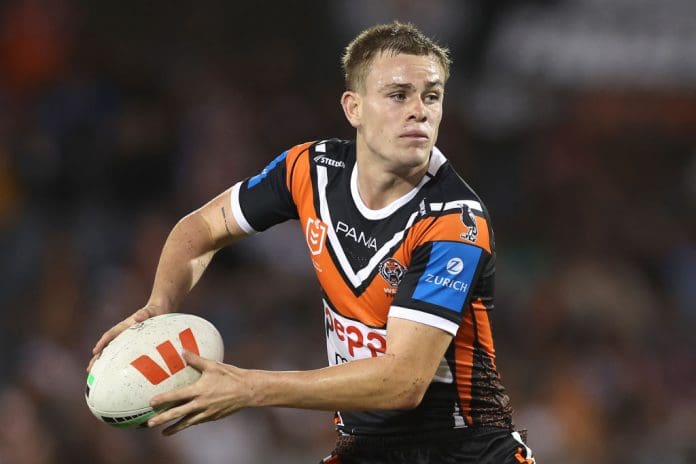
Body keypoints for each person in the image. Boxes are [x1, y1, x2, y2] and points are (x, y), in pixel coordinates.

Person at [88, 21, 535, 464]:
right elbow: (200, 228)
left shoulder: (453, 221)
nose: (419, 111)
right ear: (354, 108)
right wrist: (159, 306)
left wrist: (249, 388)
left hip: (465, 453)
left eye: (431, 96)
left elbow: (404, 381)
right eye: (399, 95)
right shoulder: (311, 170)